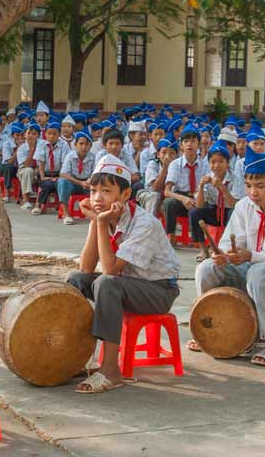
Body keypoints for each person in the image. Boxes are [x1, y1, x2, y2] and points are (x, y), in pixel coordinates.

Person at [66, 155, 181, 394]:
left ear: (126, 195)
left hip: (158, 290)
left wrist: (98, 223)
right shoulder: (105, 217)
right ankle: (75, 357)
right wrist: (96, 223)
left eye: (106, 191)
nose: (97, 197)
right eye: (93, 190)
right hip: (127, 284)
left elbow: (109, 270)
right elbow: (86, 269)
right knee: (75, 280)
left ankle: (110, 369)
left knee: (107, 284)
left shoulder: (144, 223)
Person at [193, 150, 265, 364]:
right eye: (248, 185)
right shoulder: (244, 206)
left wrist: (250, 256)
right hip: (249, 267)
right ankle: (207, 330)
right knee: (206, 268)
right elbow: (228, 244)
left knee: (259, 272)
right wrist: (224, 256)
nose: (253, 192)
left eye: (260, 186)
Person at [190, 143, 240, 261]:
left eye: (221, 161)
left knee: (233, 212)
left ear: (227, 163)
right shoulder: (207, 177)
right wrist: (201, 187)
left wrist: (222, 188)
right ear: (209, 164)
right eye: (213, 162)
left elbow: (235, 204)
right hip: (214, 210)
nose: (216, 165)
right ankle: (203, 250)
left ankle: (227, 249)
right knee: (194, 212)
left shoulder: (235, 178)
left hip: (229, 211)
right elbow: (199, 205)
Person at [162, 128, 209, 243]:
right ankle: (170, 234)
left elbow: (207, 189)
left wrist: (196, 198)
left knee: (197, 208)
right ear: (181, 146)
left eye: (193, 141)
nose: (189, 144)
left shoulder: (205, 164)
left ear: (198, 145)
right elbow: (167, 191)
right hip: (180, 198)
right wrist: (183, 198)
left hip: (199, 197)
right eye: (186, 141)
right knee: (169, 202)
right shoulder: (175, 164)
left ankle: (197, 241)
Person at [32, 121, 71, 216]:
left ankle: (60, 206)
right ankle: (38, 205)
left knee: (58, 184)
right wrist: (43, 177)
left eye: (54, 134)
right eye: (49, 133)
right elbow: (41, 163)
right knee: (47, 184)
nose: (52, 136)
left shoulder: (64, 145)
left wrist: (59, 177)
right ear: (45, 134)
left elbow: (64, 163)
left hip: (59, 173)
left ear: (59, 135)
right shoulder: (41, 144)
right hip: (45, 173)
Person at [58, 131, 95, 225]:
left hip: (88, 183)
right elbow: (63, 174)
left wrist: (89, 180)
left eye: (86, 144)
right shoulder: (70, 156)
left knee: (100, 186)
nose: (83, 147)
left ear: (90, 146)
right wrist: (80, 182)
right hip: (73, 183)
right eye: (81, 144)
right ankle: (66, 214)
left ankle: (95, 214)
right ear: (75, 145)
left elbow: (96, 173)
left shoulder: (93, 157)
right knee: (63, 182)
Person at [137, 138, 176, 216]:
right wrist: (165, 168)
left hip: (168, 195)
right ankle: (150, 224)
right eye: (164, 152)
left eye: (171, 153)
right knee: (154, 196)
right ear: (158, 154)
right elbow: (155, 187)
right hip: (149, 193)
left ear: (176, 155)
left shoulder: (177, 165)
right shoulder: (152, 164)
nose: (167, 156)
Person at [16, 124, 43, 210]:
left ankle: (41, 201)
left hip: (39, 169)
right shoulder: (22, 148)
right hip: (23, 170)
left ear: (38, 135)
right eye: (29, 133)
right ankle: (26, 201)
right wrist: (31, 149)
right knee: (28, 171)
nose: (31, 135)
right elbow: (26, 165)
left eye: (34, 134)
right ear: (25, 135)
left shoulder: (42, 145)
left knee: (42, 171)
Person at [0, 123, 23, 201]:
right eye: (17, 135)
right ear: (12, 135)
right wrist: (18, 148)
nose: (20, 137)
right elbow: (9, 161)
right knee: (8, 167)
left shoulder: (26, 143)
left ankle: (22, 195)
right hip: (8, 167)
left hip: (20, 167)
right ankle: (7, 193)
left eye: (21, 135)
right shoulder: (7, 144)